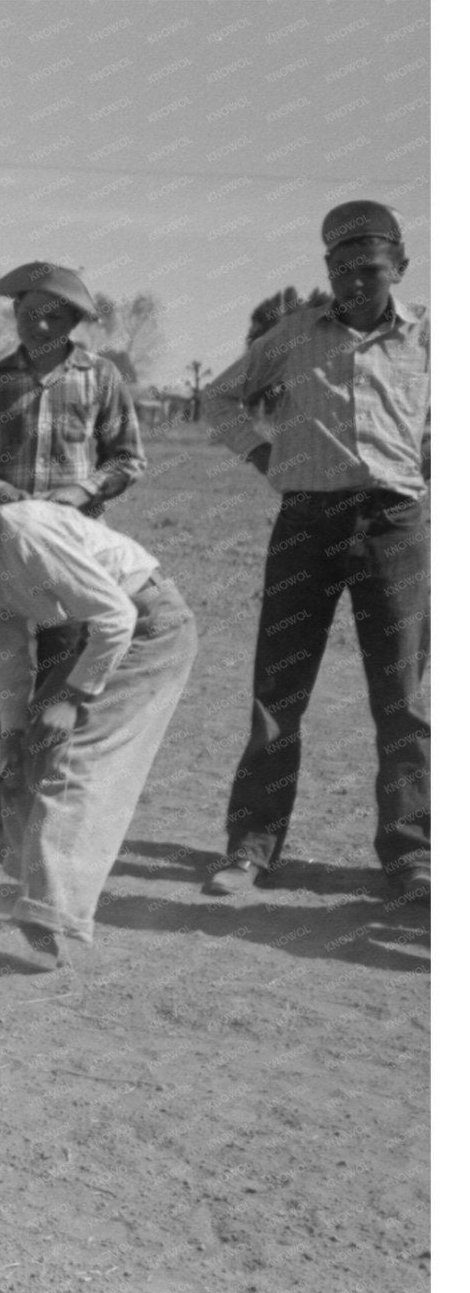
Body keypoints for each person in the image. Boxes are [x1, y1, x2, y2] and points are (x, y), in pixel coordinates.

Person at [204, 201, 429, 903]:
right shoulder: (297, 333)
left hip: (395, 526)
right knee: (279, 692)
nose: (354, 281)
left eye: (369, 268)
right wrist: (266, 455)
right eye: (340, 268)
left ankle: (413, 856)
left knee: (405, 698)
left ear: (400, 267)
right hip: (306, 524)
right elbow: (220, 399)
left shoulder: (431, 340)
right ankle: (250, 850)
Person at [0, 446, 196, 971]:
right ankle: (31, 893)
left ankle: (48, 917)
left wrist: (75, 698)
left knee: (74, 760)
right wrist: (13, 730)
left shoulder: (26, 531)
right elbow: (7, 659)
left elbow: (117, 616)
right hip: (97, 637)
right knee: (28, 759)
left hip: (150, 627)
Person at [0, 262, 145, 856]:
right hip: (3, 553)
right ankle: (2, 822)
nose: (37, 322)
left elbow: (129, 459)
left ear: (74, 322)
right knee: (4, 686)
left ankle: (50, 823)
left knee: (64, 692)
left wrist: (84, 491)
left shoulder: (102, 378)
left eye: (52, 314)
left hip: (68, 563)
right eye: (27, 311)